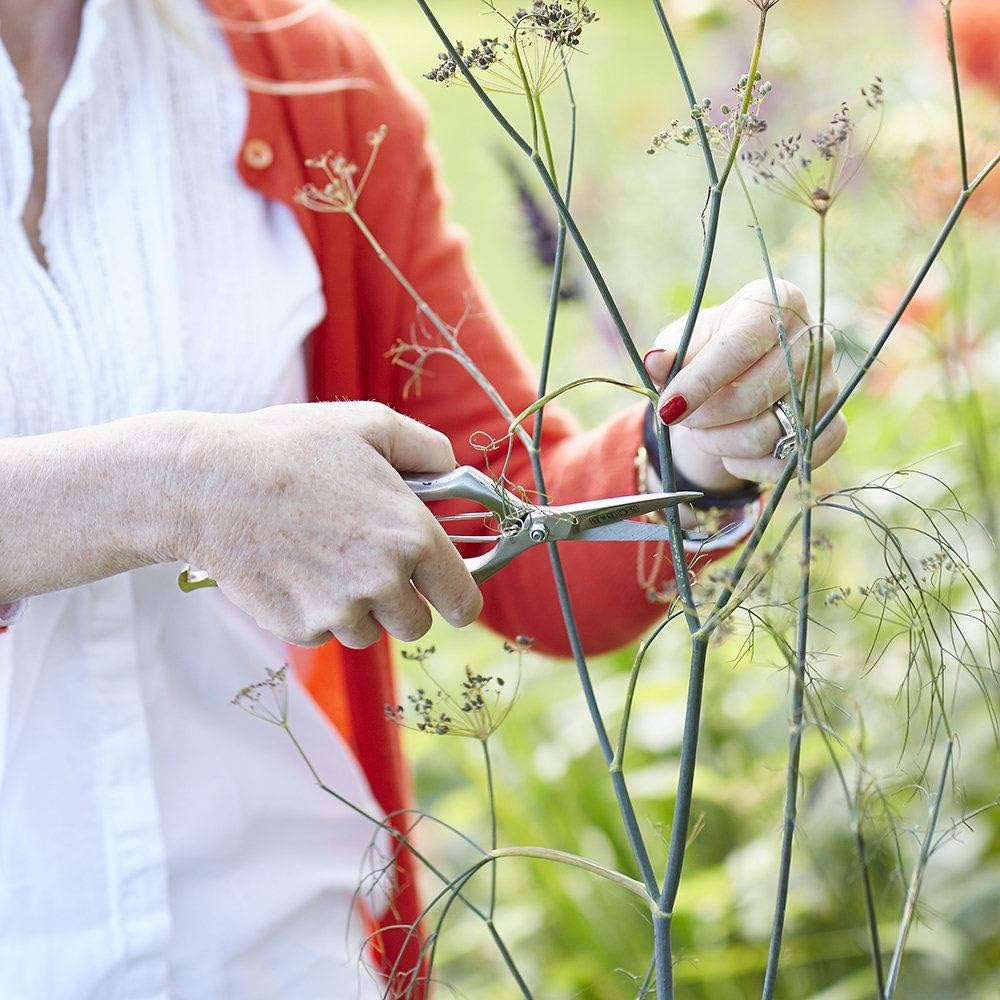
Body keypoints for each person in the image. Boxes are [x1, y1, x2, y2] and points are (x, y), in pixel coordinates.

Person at [0, 1, 847, 997]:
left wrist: (694, 444)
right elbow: (194, 486)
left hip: (283, 955)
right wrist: (177, 485)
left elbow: (511, 518)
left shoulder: (305, 83)